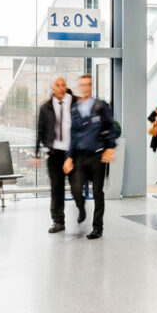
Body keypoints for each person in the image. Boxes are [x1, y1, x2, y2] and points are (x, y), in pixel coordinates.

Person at [64, 74, 116, 240]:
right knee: (76, 188)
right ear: (80, 87)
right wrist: (68, 157)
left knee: (97, 192)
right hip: (80, 156)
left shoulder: (101, 106)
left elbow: (111, 128)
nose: (85, 87)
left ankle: (97, 227)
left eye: (88, 85)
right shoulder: (74, 110)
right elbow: (71, 135)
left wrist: (110, 147)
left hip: (97, 156)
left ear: (91, 87)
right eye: (83, 85)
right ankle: (81, 208)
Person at [34, 77, 84, 234]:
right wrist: (37, 152)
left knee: (76, 186)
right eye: (58, 85)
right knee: (57, 189)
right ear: (52, 87)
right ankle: (58, 221)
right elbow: (40, 130)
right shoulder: (46, 107)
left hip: (73, 153)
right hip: (55, 153)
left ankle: (81, 205)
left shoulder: (76, 102)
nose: (61, 88)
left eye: (63, 85)